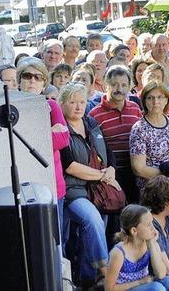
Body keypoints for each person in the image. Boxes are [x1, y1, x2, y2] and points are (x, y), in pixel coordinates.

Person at [58, 82, 115, 287]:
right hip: (73, 191)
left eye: (82, 101)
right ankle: (103, 269)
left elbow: (109, 153)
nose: (78, 106)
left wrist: (111, 170)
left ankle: (86, 277)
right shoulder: (60, 129)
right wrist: (101, 175)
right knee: (93, 220)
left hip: (99, 189)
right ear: (62, 104)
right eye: (72, 102)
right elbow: (69, 166)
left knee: (96, 227)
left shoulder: (91, 123)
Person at [17, 58, 71, 228]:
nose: (32, 80)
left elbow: (63, 139)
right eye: (27, 76)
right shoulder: (12, 108)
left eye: (38, 77)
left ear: (44, 84)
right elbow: (18, 144)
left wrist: (31, 139)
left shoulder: (52, 106)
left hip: (53, 184)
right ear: (19, 81)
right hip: (25, 185)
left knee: (56, 239)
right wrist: (48, 133)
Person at [90, 66, 143, 203]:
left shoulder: (135, 108)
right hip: (111, 175)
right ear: (106, 85)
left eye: (124, 85)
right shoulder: (94, 115)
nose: (119, 89)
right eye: (114, 84)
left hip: (136, 171)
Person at [130, 82, 169, 193]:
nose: (155, 102)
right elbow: (139, 169)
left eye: (160, 97)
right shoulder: (139, 129)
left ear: (166, 100)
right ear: (144, 101)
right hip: (153, 189)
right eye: (150, 98)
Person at [105, 204, 169, 291]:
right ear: (134, 231)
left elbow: (161, 274)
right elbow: (109, 289)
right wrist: (139, 282)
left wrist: (152, 244)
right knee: (156, 288)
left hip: (144, 285)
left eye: (152, 222)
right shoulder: (119, 253)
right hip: (127, 288)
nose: (153, 228)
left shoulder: (150, 243)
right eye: (148, 225)